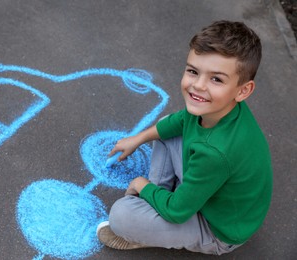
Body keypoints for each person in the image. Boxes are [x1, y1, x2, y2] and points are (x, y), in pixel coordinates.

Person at [97, 20, 273, 255]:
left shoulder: (215, 152)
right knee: (166, 126)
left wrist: (142, 185)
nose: (198, 85)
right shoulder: (217, 109)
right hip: (216, 194)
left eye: (216, 79)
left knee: (121, 216)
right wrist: (137, 138)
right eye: (193, 71)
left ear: (243, 90)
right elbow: (178, 121)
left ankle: (150, 219)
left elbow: (178, 211)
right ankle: (159, 200)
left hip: (217, 229)